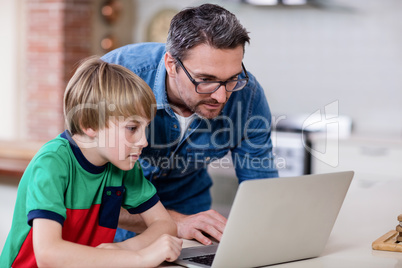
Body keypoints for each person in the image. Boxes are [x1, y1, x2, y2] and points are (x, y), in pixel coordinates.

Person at [102, 3, 279, 246]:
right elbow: (85, 193)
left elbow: (262, 190)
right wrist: (173, 222)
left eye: (232, 79)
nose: (221, 96)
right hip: (114, 220)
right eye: (206, 80)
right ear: (171, 65)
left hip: (191, 215)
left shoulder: (247, 95)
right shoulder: (115, 75)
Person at [0, 57, 182, 267]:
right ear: (89, 124)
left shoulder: (123, 164)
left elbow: (165, 224)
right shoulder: (52, 163)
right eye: (132, 128)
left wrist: (122, 248)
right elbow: (48, 254)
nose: (144, 141)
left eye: (145, 128)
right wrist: (139, 257)